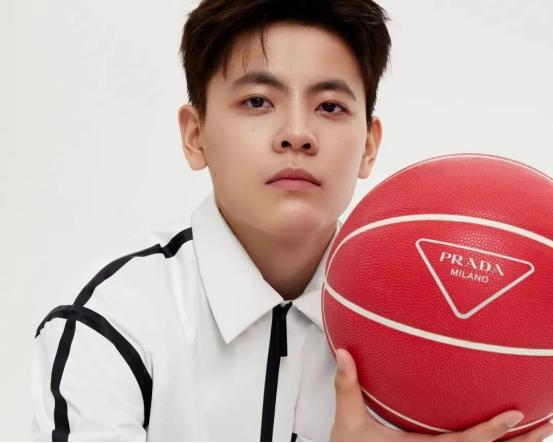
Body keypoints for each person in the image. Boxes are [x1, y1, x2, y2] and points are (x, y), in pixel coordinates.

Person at [31, 0, 553, 441]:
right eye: (257, 101)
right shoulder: (110, 323)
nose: (297, 133)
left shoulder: (440, 333)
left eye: (330, 107)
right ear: (195, 135)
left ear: (369, 146)